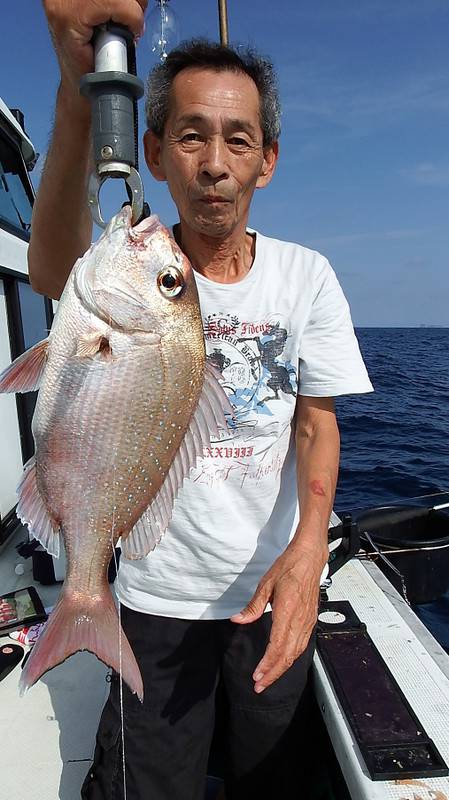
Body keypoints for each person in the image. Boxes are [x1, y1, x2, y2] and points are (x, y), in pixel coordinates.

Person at [31, 2, 374, 798]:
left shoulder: (305, 276)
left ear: (267, 161)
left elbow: (316, 427)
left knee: (272, 774)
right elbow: (52, 269)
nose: (214, 162)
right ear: (153, 152)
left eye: (237, 139)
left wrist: (307, 552)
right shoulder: (126, 261)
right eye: (190, 135)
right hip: (152, 596)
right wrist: (73, 85)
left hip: (268, 592)